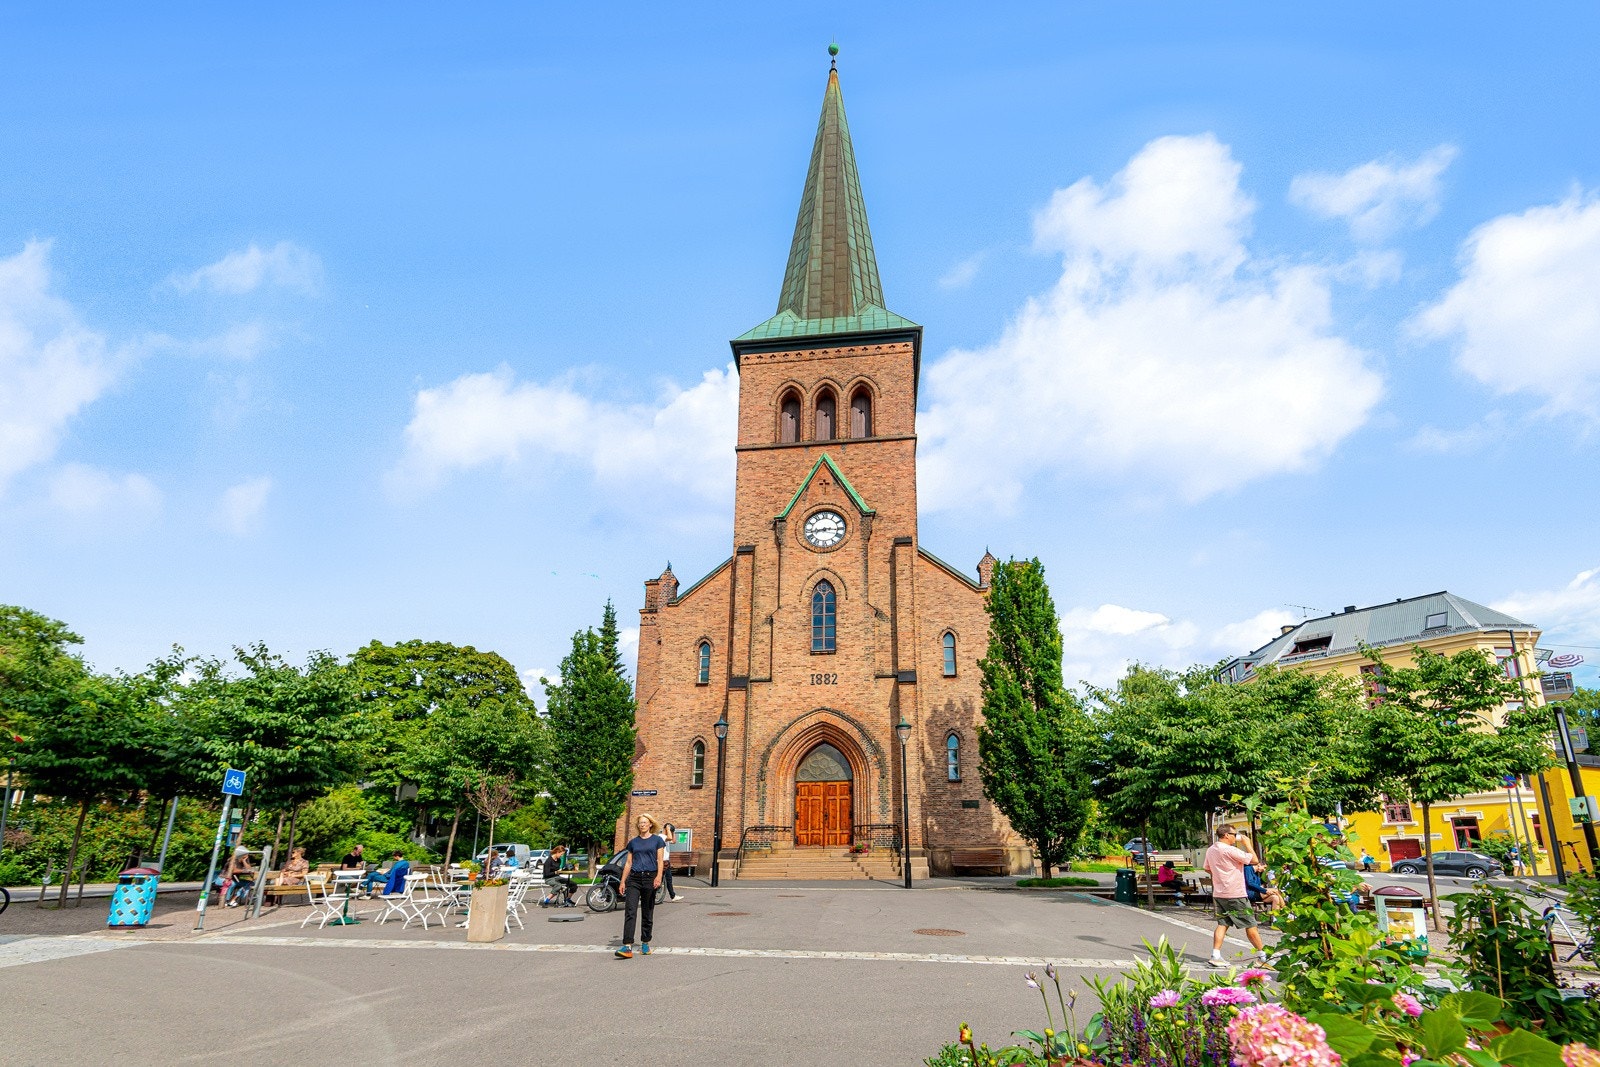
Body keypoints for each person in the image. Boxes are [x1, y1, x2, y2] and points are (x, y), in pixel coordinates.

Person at [1203, 826, 1269, 967]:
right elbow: (1255, 860)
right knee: (1250, 924)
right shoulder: (1230, 850)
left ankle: (1215, 955)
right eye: (1234, 834)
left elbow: (1207, 868)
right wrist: (1247, 843)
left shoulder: (1211, 849)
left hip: (1220, 893)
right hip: (1235, 893)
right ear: (1226, 835)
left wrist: (1221, 876)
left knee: (1223, 923)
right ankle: (1263, 958)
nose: (1235, 837)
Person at [614, 814, 664, 959]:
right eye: (640, 823)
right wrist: (623, 881)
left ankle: (645, 942)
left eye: (645, 822)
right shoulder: (633, 842)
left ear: (650, 825)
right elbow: (628, 863)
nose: (642, 825)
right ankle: (627, 945)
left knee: (647, 911)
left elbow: (659, 861)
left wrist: (659, 877)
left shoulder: (657, 841)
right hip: (634, 878)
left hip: (650, 877)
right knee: (630, 910)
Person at [661, 822, 681, 902]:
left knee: (668, 879)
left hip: (666, 862)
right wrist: (668, 828)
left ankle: (673, 896)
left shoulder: (665, 837)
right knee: (661, 879)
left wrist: (673, 831)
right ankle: (650, 895)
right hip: (662, 862)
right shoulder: (661, 836)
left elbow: (674, 841)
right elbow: (669, 838)